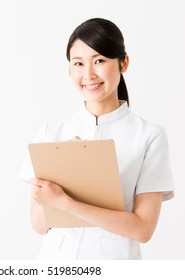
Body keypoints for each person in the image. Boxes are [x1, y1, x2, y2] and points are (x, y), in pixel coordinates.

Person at [18, 18, 174, 259]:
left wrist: (65, 203)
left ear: (124, 63)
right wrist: (63, 170)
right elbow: (39, 225)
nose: (88, 74)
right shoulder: (50, 133)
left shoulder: (149, 136)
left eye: (99, 61)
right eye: (78, 63)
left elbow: (143, 229)